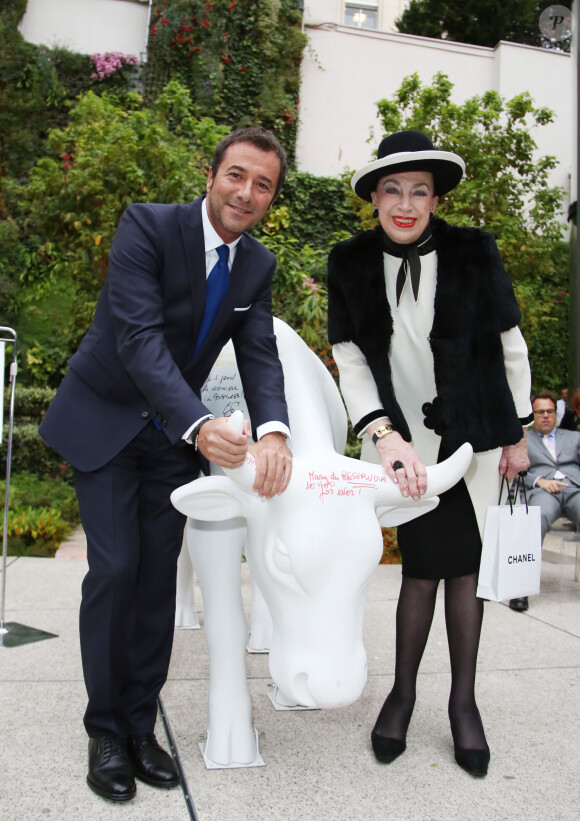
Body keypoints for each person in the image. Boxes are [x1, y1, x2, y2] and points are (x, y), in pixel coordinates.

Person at [39, 127, 293, 802]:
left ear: (271, 198)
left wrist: (274, 432)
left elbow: (261, 353)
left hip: (170, 442)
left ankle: (138, 723)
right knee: (117, 568)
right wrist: (201, 423)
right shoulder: (147, 228)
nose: (246, 192)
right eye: (236, 175)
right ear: (211, 173)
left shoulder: (256, 265)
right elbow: (141, 340)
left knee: (157, 582)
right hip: (109, 422)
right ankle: (103, 729)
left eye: (262, 184)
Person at [327, 130, 532, 778]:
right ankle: (402, 693)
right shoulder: (350, 261)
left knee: (466, 571)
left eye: (420, 190)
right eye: (393, 189)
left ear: (435, 195)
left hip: (470, 438)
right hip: (403, 448)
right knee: (419, 569)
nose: (406, 203)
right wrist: (382, 432)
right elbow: (351, 358)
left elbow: (511, 344)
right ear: (375, 198)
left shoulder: (474, 251)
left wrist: (519, 431)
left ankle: (463, 703)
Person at [509, 391, 580, 611]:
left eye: (550, 411)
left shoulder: (574, 437)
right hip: (544, 491)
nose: (546, 416)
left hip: (575, 488)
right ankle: (521, 589)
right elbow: (514, 471)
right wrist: (539, 481)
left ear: (556, 414)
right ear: (533, 415)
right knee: (535, 518)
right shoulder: (521, 440)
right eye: (540, 412)